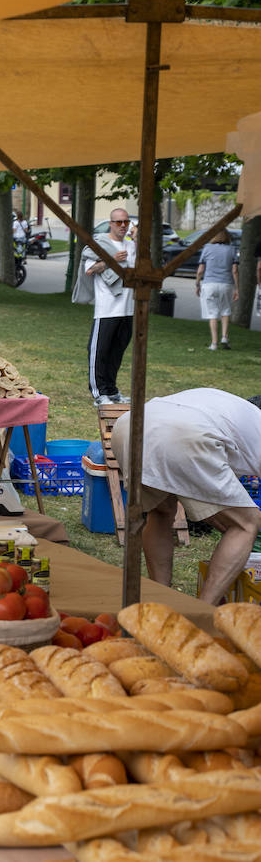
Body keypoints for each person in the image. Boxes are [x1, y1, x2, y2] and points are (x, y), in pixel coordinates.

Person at [112, 390, 261, 605]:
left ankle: (161, 601)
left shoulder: (227, 406)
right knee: (247, 523)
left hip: (131, 425)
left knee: (161, 512)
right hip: (185, 434)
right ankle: (202, 609)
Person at [84, 208, 136, 405]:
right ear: (111, 223)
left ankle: (112, 390)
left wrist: (139, 240)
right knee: (99, 352)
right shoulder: (100, 245)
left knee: (116, 352)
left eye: (126, 222)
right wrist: (112, 260)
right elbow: (90, 269)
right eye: (119, 222)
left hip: (128, 308)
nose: (123, 225)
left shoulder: (131, 246)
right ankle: (99, 393)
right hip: (107, 309)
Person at [196, 235, 239, 351]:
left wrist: (197, 284)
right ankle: (224, 337)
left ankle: (214, 343)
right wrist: (237, 288)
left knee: (212, 313)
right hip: (227, 284)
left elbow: (200, 270)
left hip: (209, 284)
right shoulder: (232, 249)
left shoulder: (207, 248)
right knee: (225, 310)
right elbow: (234, 270)